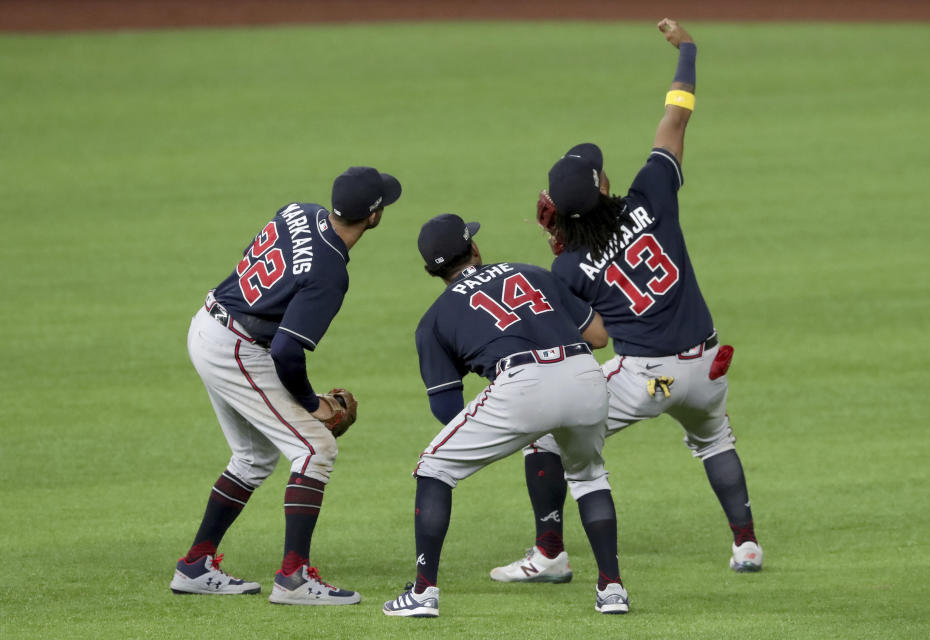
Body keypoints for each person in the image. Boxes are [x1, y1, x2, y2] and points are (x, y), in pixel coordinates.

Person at [490, 18, 763, 584]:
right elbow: (676, 115)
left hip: (648, 381)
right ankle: (746, 544)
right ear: (605, 185)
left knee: (544, 435)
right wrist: (687, 49)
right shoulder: (653, 191)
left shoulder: (567, 266)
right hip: (708, 367)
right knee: (714, 438)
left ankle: (548, 555)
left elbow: (594, 339)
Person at [169, 166, 402, 605]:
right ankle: (294, 578)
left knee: (254, 456)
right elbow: (287, 353)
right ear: (373, 217)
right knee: (316, 448)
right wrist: (310, 404)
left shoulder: (299, 211)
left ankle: (195, 565)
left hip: (210, 321)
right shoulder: (331, 273)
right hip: (235, 348)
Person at [382, 214, 628, 618]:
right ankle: (612, 589)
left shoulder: (433, 321)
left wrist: (500, 423)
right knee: (588, 475)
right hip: (586, 375)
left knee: (434, 468)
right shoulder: (530, 272)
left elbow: (446, 408)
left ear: (432, 271)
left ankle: (423, 593)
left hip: (521, 386)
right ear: (475, 250)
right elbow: (599, 337)